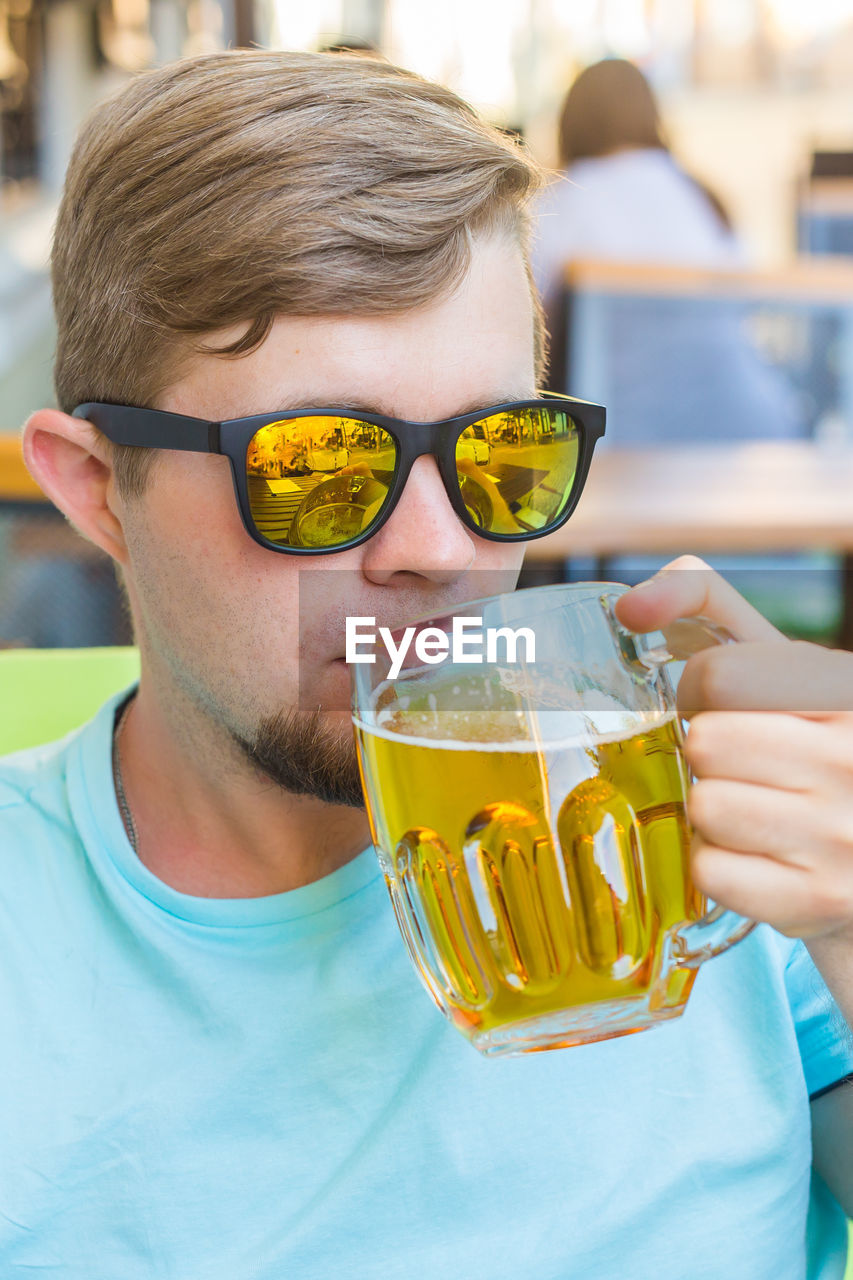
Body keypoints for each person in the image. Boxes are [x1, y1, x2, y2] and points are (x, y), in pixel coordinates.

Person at [2, 49, 852, 1279]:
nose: (439, 551)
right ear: (98, 490)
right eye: (312, 469)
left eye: (498, 448)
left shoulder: (716, 832)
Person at [532, 57, 801, 444]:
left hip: (617, 438)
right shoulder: (704, 199)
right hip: (745, 424)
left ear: (570, 124)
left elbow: (526, 325)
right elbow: (749, 304)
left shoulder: (561, 203)